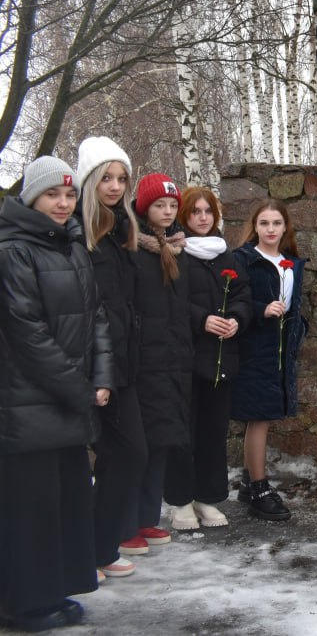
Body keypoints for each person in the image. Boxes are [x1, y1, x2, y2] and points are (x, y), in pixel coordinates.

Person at [0, 157, 111, 631]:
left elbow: (96, 318)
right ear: (31, 199)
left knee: (65, 501)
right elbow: (25, 333)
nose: (63, 204)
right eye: (52, 195)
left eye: (68, 195)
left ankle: (51, 589)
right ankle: (22, 603)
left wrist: (101, 377)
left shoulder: (70, 247)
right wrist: (77, 388)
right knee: (30, 508)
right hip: (28, 403)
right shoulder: (12, 252)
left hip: (69, 399)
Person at [76, 136, 146, 581]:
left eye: (121, 178)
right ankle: (89, 551)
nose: (116, 186)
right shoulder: (80, 236)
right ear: (89, 182)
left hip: (124, 365)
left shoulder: (122, 232)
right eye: (106, 178)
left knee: (129, 456)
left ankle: (100, 547)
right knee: (113, 456)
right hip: (94, 368)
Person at [164, 187, 252, 531]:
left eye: (208, 212)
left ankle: (207, 496)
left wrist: (237, 320)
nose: (203, 217)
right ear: (185, 216)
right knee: (183, 430)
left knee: (213, 431)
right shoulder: (176, 254)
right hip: (185, 357)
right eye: (195, 212)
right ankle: (181, 500)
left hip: (221, 356)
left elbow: (243, 294)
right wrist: (201, 319)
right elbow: (169, 299)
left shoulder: (225, 255)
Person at [124, 173, 194, 557]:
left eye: (171, 205)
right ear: (144, 208)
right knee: (140, 446)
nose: (167, 212)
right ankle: (126, 521)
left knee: (163, 441)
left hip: (173, 360)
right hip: (145, 360)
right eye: (159, 205)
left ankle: (148, 515)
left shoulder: (180, 249)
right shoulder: (134, 250)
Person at [231, 199, 308, 521]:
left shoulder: (292, 262)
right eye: (264, 223)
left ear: (285, 226)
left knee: (263, 416)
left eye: (277, 223)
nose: (271, 229)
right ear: (255, 226)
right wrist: (262, 308)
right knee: (258, 417)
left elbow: (295, 305)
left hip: (280, 350)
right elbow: (234, 300)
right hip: (254, 348)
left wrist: (299, 328)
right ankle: (259, 488)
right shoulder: (244, 259)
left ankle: (250, 483)